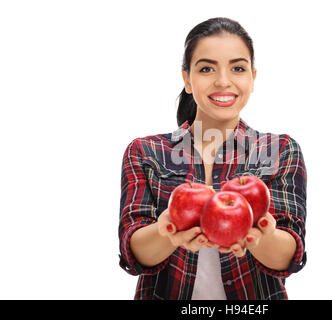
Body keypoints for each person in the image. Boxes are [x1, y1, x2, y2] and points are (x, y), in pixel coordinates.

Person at [119, 17, 307, 300]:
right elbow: (132, 254)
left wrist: (261, 235)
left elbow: (290, 257)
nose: (223, 81)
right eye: (206, 68)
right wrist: (165, 230)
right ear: (187, 80)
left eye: (238, 68)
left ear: (252, 78)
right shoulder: (145, 152)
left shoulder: (280, 150)